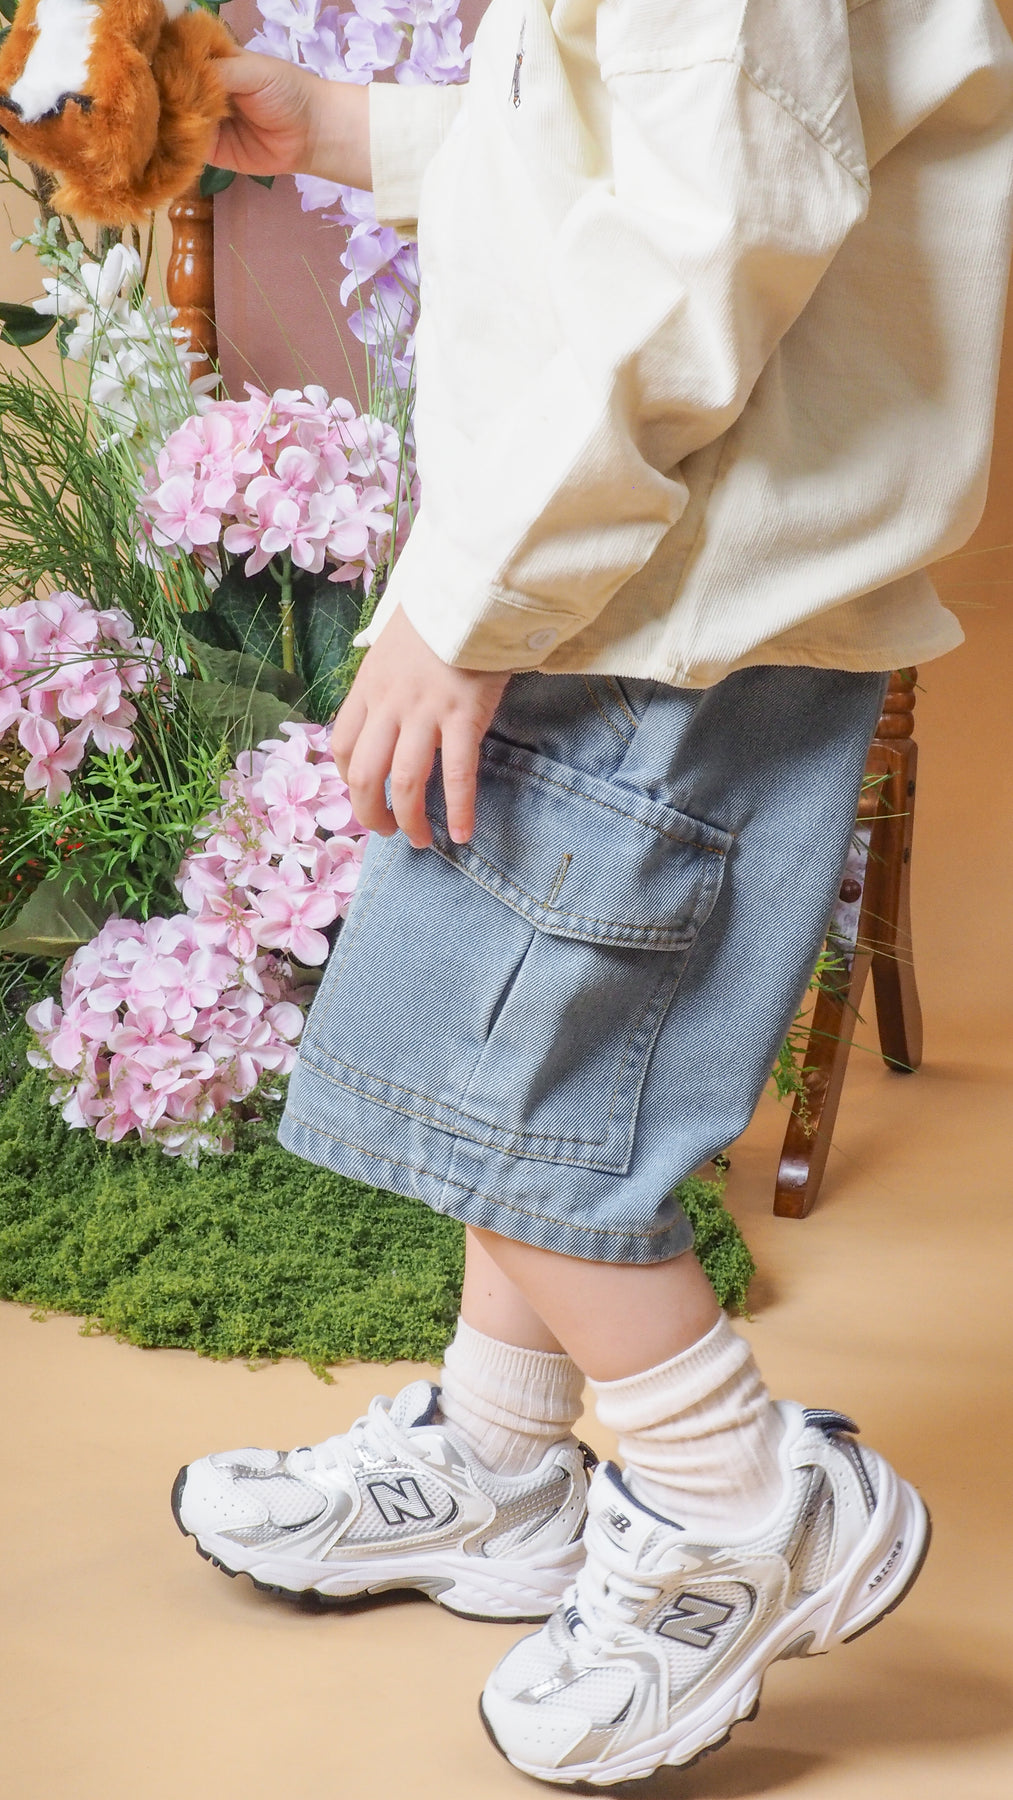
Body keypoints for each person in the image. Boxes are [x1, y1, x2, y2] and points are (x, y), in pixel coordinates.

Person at [171, 0, 1013, 1783]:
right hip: (638, 557)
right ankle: (502, 1457)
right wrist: (356, 132)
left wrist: (473, 598)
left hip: (661, 585)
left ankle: (738, 1498)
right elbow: (648, 143)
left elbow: (704, 250)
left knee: (522, 1077)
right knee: (523, 1055)